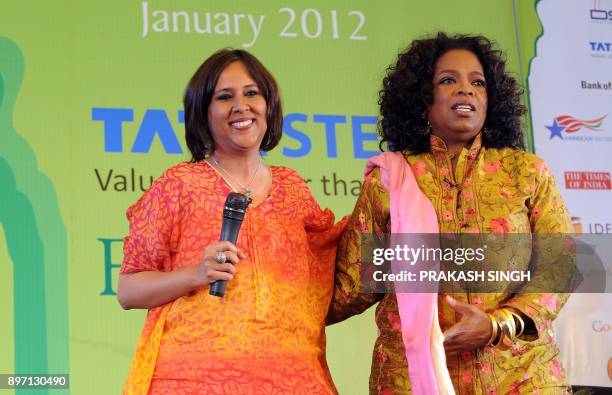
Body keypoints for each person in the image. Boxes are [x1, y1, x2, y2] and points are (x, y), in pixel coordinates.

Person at [328, 32, 573, 394]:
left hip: (521, 377)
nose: (466, 90)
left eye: (478, 82)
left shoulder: (526, 173)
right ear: (421, 99)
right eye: (448, 80)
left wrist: (498, 325)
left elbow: (560, 264)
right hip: (411, 377)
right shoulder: (390, 181)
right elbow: (350, 288)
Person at [117, 49, 345, 394]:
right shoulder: (179, 184)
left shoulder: (293, 188)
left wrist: (391, 196)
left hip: (293, 379)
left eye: (251, 93)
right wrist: (196, 273)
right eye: (225, 97)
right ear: (203, 114)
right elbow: (128, 290)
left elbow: (336, 264)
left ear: (269, 105)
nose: (241, 105)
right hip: (194, 380)